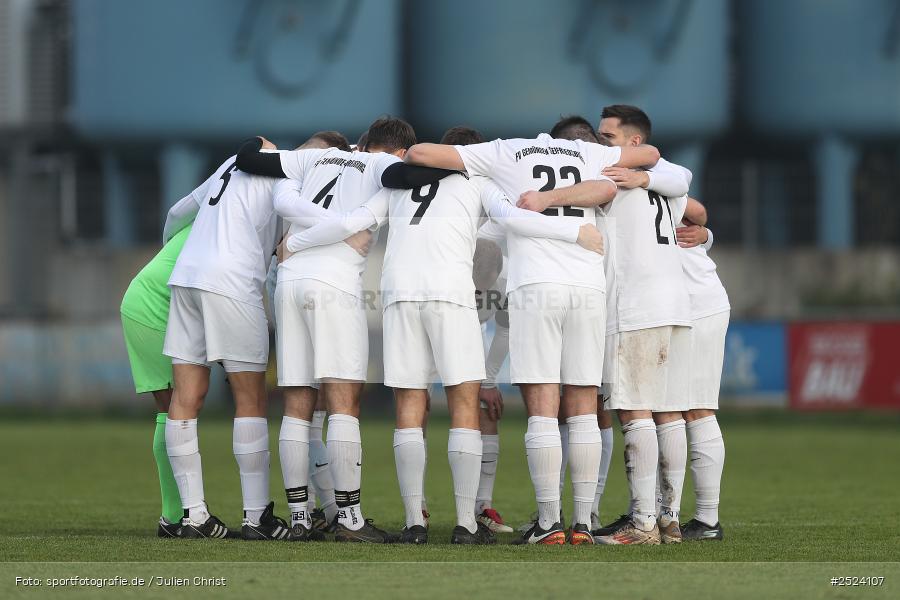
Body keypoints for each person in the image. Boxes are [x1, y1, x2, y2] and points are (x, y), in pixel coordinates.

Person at [283, 125, 605, 544]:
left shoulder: (397, 179)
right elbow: (511, 218)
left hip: (399, 292)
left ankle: (414, 523)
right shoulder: (478, 179)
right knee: (464, 404)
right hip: (451, 292)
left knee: (409, 407)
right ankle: (466, 524)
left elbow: (357, 218)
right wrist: (575, 231)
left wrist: (297, 241)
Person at [405, 128, 659, 545]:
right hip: (587, 284)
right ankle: (583, 523)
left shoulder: (504, 150)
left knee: (543, 408)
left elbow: (419, 153)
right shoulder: (587, 152)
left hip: (536, 285)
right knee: (583, 406)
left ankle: (548, 523)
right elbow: (648, 152)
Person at [236, 116, 454, 543]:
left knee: (297, 402)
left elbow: (251, 162)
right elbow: (416, 176)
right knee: (343, 402)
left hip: (290, 283)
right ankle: (350, 519)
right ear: (399, 151)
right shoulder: (382, 168)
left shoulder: (314, 158)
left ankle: (300, 518)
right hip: (334, 285)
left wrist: (294, 241)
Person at [581, 104, 698, 545]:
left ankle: (643, 522)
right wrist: (648, 177)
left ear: (634, 142)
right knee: (669, 412)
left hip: (636, 304)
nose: (600, 143)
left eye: (607, 136)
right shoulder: (667, 180)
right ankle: (669, 519)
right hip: (675, 304)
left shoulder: (612, 177)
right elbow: (684, 180)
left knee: (634, 410)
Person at [162, 137, 285, 540]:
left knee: (185, 397)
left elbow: (176, 212)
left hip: (186, 277)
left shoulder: (229, 164)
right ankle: (256, 518)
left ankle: (194, 516)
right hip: (233, 282)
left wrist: (175, 255)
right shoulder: (290, 175)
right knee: (250, 399)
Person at [120, 225, 192, 537]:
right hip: (153, 308)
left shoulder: (208, 215)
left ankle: (180, 514)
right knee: (175, 408)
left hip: (150, 302)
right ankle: (175, 518)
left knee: (175, 408)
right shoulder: (222, 226)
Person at [674, 205, 729, 541]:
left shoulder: (653, 180)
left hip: (695, 303)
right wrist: (706, 235)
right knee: (664, 411)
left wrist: (705, 233)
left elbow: (699, 212)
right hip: (666, 305)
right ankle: (656, 513)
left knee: (696, 409)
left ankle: (708, 519)